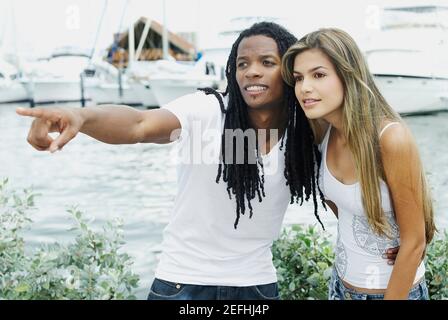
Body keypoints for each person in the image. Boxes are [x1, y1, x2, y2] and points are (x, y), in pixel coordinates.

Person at [16, 22, 397, 300]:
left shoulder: (305, 133)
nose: (251, 71)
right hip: (181, 284)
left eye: (266, 62)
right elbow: (137, 124)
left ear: (287, 72)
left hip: (255, 287)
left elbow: (340, 193)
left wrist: (389, 237)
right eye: (242, 63)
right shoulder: (206, 110)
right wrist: (81, 118)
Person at [282, 28, 436, 300]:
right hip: (340, 287)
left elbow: (414, 243)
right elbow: (344, 208)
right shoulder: (322, 133)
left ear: (347, 74)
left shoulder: (390, 138)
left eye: (318, 75)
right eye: (298, 78)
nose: (304, 87)